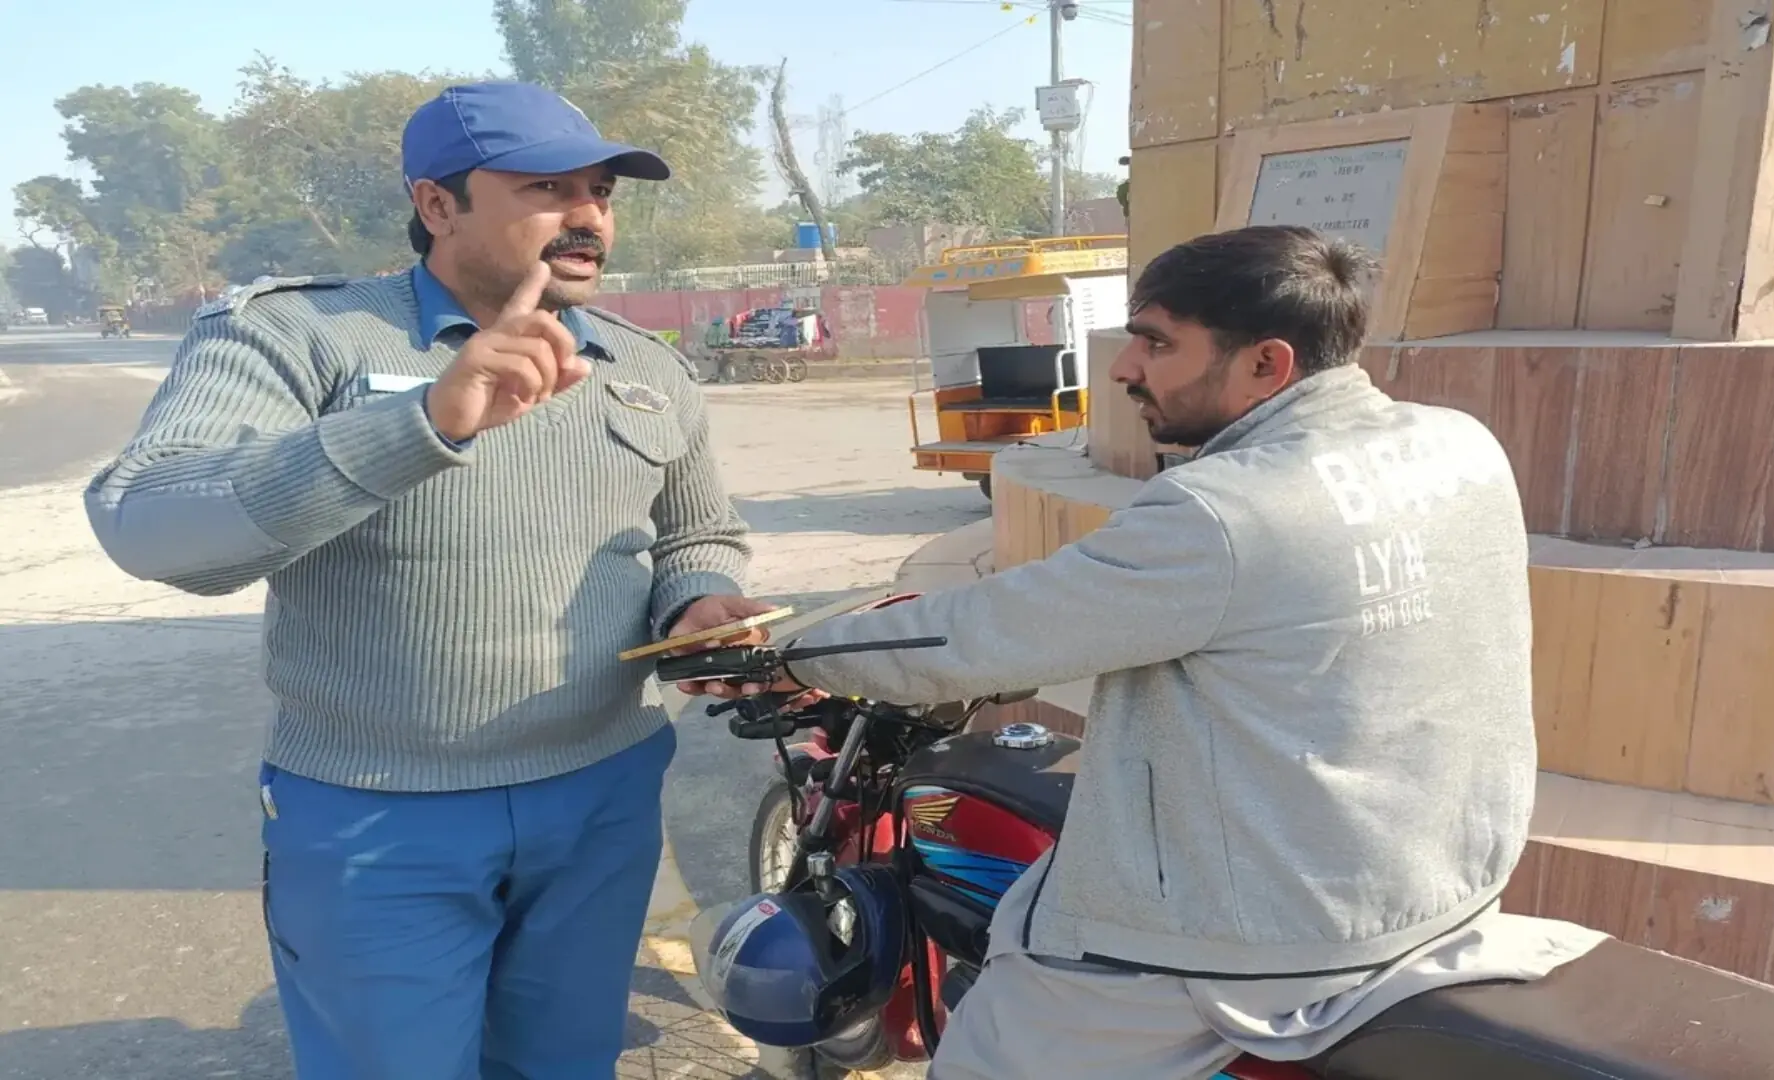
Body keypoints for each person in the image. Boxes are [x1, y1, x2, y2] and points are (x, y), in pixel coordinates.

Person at [698, 225, 1606, 1078]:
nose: (1125, 367)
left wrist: (789, 656)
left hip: (1268, 941)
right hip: (1445, 892)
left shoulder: (1224, 511)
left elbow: (984, 634)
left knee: (984, 1055)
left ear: (1266, 364)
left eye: (1157, 343)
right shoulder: (1459, 445)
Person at [85, 79, 773, 1079]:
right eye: (547, 188)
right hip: (380, 813)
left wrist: (698, 600)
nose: (588, 215)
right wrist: (420, 424)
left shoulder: (642, 367)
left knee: (564, 1063)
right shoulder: (303, 336)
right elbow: (148, 523)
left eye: (601, 191)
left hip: (603, 796)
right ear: (438, 204)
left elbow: (697, 534)